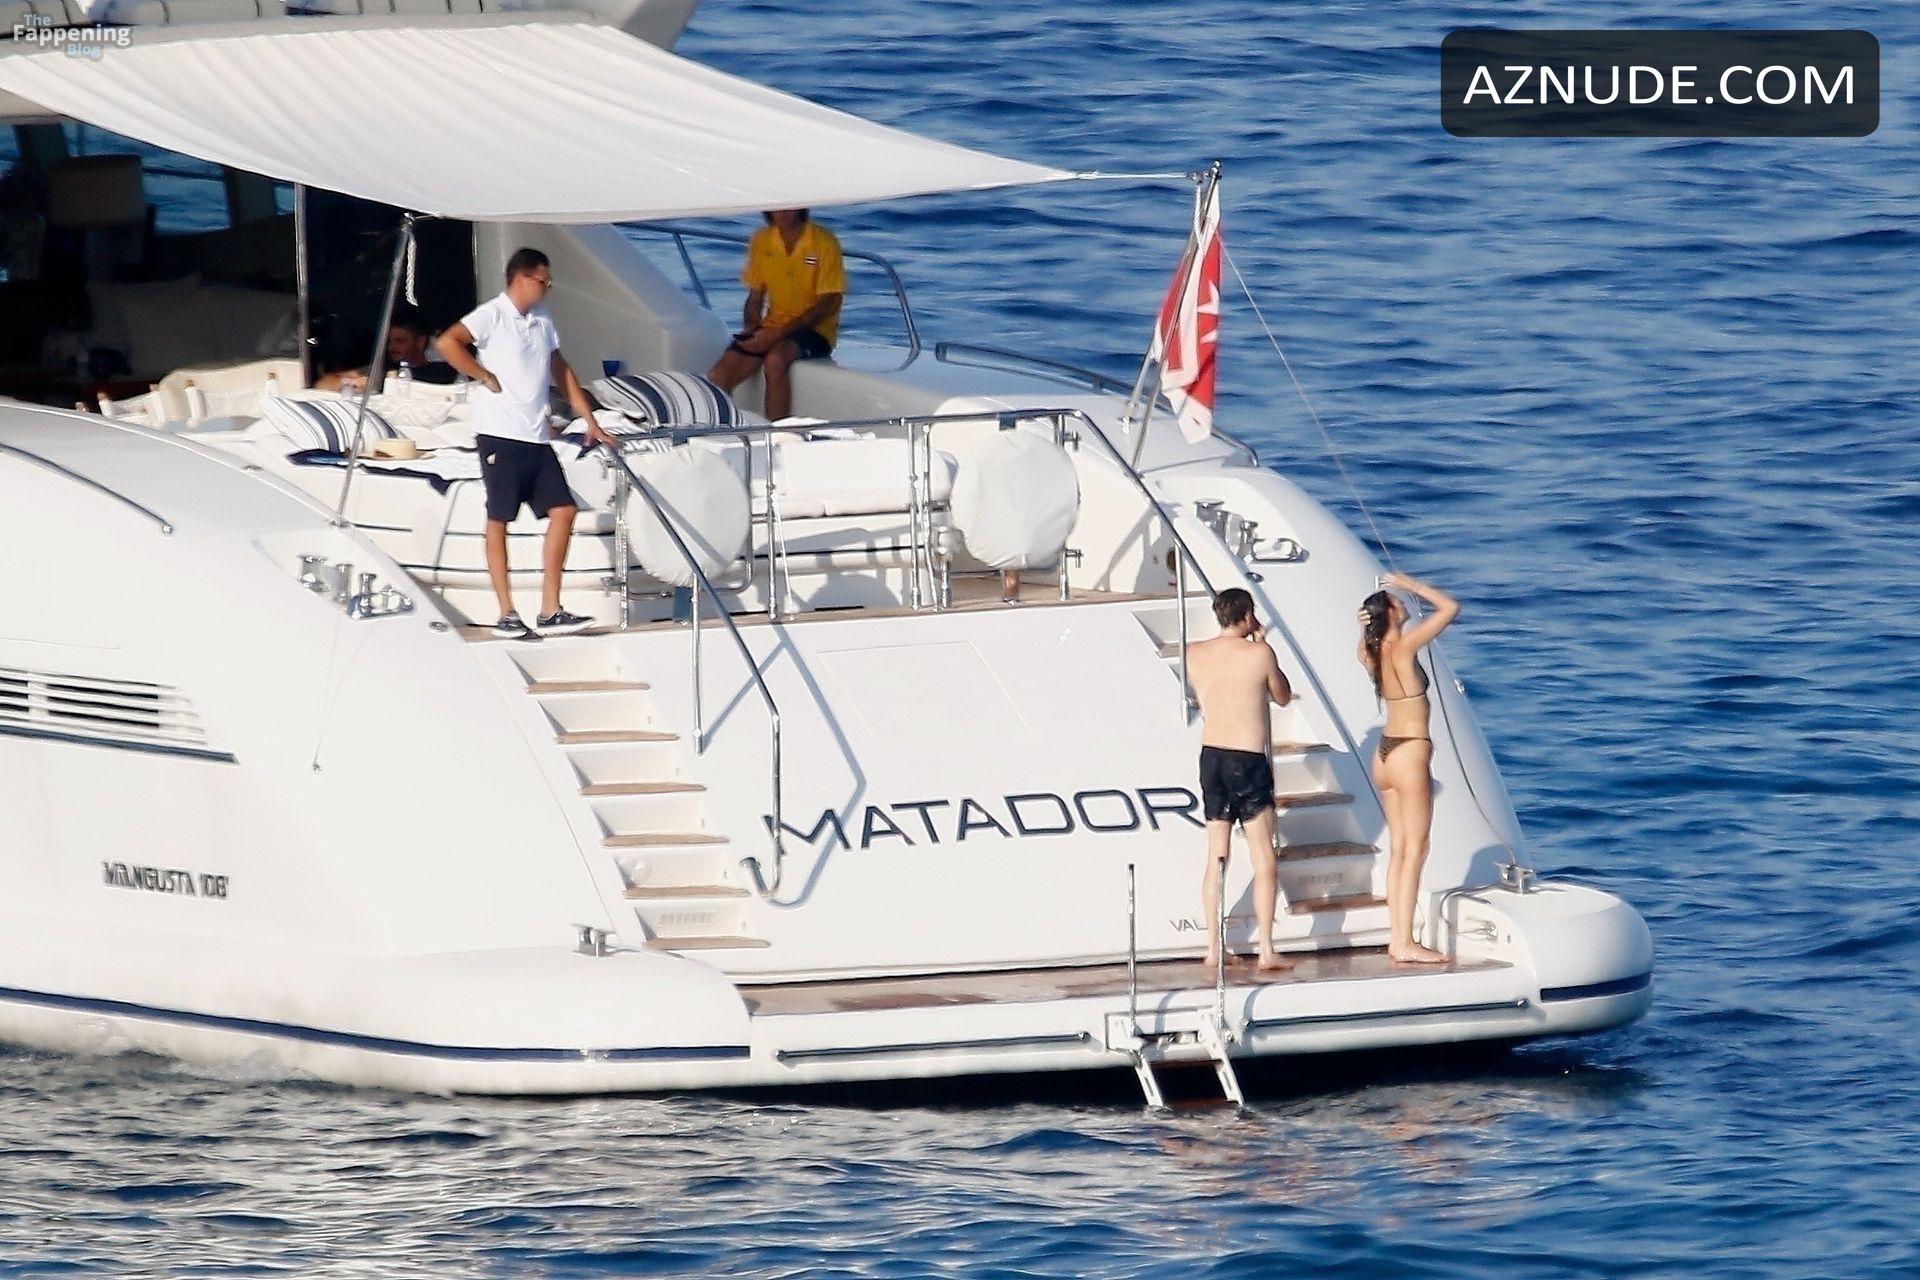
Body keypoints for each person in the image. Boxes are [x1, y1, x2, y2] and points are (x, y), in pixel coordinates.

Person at [435, 247, 615, 640]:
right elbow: (448, 342)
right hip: (500, 433)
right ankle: (506, 611)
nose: (547, 288)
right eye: (542, 281)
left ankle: (551, 608)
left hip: (535, 434)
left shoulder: (543, 319)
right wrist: (483, 375)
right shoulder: (492, 314)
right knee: (499, 517)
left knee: (563, 510)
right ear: (521, 279)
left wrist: (590, 420)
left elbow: (560, 369)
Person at [1188, 588, 1295, 973]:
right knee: (1263, 855)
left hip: (1212, 756)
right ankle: (1266, 948)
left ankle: (1213, 948)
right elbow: (1282, 696)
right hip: (1247, 758)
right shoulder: (1259, 653)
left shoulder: (1194, 652)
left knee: (1217, 853)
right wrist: (1262, 644)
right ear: (1247, 616)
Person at [1356, 571, 1461, 965]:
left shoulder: (1371, 653)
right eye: (1398, 603)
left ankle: (1397, 937)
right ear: (1391, 613)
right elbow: (1450, 608)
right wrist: (1411, 584)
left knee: (1400, 849)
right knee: (1415, 849)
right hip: (1409, 753)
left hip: (1384, 754)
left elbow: (1362, 647)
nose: (1404, 605)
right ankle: (1404, 941)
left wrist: (1363, 627)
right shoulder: (1402, 648)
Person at [704, 208, 845, 421]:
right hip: (772, 324)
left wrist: (776, 335)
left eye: (788, 207)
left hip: (815, 330)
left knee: (776, 360)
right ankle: (721, 430)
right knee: (719, 374)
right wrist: (751, 328)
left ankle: (777, 431)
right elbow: (755, 295)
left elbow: (826, 304)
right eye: (777, 208)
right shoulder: (762, 239)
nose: (782, 213)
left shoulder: (824, 242)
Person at [317, 304, 461, 391]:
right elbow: (322, 384)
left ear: (421, 341)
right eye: (389, 341)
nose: (392, 347)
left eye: (400, 341)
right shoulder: (381, 372)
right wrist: (352, 382)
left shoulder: (444, 372)